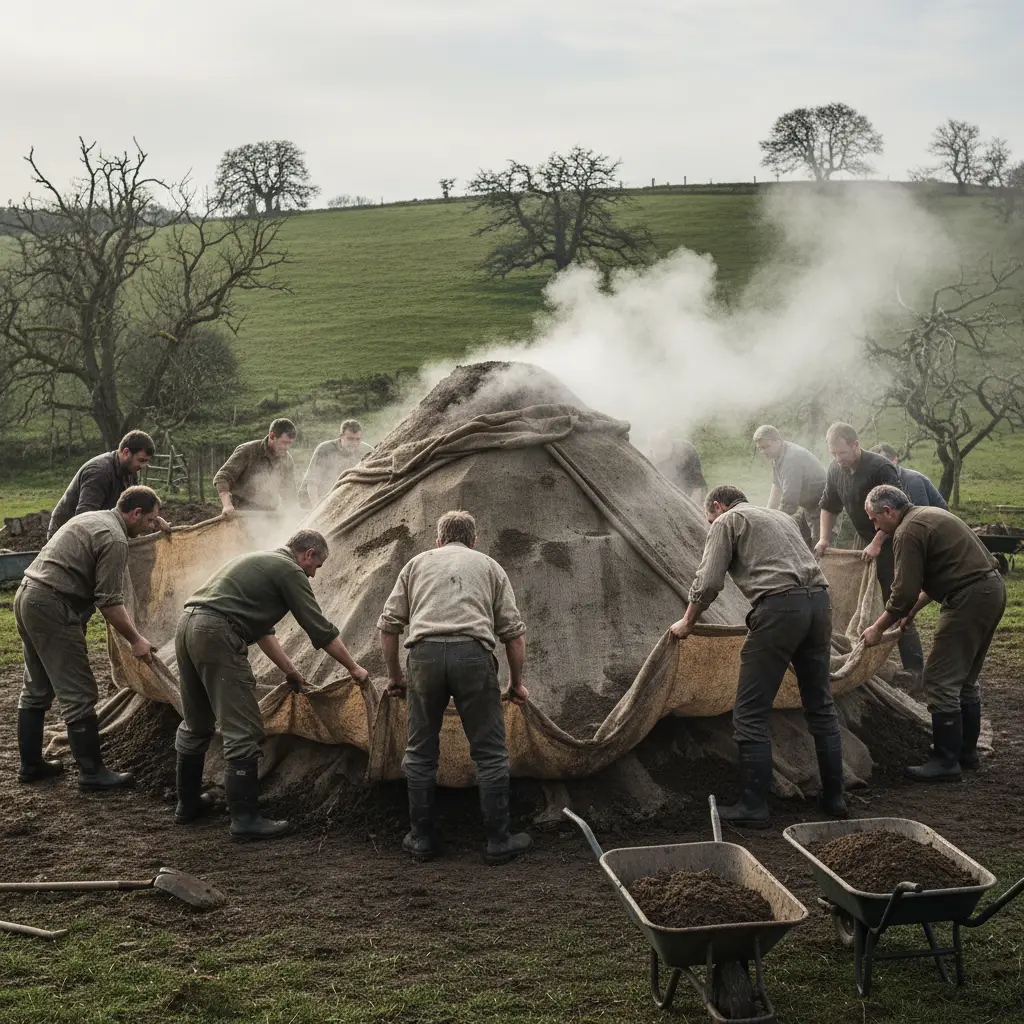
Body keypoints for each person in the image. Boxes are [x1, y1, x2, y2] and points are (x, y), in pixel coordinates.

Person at [173, 529, 369, 838]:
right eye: (317, 565)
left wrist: (291, 672)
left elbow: (263, 632)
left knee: (196, 723)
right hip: (217, 635)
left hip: (188, 627)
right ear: (308, 554)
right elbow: (318, 629)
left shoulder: (261, 562)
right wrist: (355, 668)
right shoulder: (290, 571)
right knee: (242, 729)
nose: (315, 575)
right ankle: (245, 820)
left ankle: (187, 804)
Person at [670, 485, 846, 828]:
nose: (710, 524)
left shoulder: (727, 521)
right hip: (819, 605)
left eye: (709, 518)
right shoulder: (779, 516)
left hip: (780, 610)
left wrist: (688, 621)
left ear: (717, 506)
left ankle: (753, 805)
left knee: (750, 711)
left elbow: (708, 582)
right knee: (820, 705)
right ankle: (835, 797)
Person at [378, 510, 531, 863]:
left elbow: (389, 626)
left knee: (419, 753)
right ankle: (497, 841)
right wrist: (516, 684)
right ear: (474, 540)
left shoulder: (416, 564)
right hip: (473, 657)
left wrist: (395, 677)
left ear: (438, 539)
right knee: (490, 753)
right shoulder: (489, 566)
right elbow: (514, 634)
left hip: (424, 657)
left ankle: (422, 841)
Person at [15, 486, 162, 790]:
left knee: (37, 688)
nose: (151, 526)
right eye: (150, 520)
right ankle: (92, 773)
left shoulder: (96, 518)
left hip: (28, 595)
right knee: (79, 692)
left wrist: (159, 527)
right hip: (53, 606)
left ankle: (31, 765)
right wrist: (136, 639)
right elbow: (108, 601)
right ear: (135, 513)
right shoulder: (114, 539)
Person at [860, 485, 1004, 782]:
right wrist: (912, 612)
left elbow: (902, 592)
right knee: (964, 679)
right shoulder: (928, 514)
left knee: (938, 679)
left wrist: (877, 627)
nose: (876, 527)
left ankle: (945, 762)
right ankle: (966, 753)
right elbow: (933, 578)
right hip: (990, 589)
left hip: (968, 598)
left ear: (888, 511)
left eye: (875, 520)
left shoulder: (907, 531)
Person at [815, 422, 925, 676]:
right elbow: (828, 506)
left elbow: (896, 511)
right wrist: (824, 539)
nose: (838, 459)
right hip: (866, 540)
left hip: (895, 541)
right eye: (833, 453)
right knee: (858, 599)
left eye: (842, 452)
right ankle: (860, 652)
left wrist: (878, 541)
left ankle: (915, 668)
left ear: (855, 445)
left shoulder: (879, 468)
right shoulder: (835, 469)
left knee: (896, 599)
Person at [48, 430, 170, 539]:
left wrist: (152, 519)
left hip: (98, 526)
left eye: (146, 462)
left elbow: (131, 509)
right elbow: (84, 518)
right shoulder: (99, 472)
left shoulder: (131, 470)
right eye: (141, 460)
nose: (143, 466)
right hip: (67, 535)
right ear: (127, 452)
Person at [753, 424, 828, 546]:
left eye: (765, 447)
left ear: (777, 440)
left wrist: (773, 522)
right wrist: (766, 515)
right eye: (760, 448)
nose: (763, 452)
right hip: (809, 506)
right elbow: (777, 486)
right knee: (802, 543)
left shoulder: (791, 459)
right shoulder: (777, 457)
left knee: (819, 548)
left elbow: (790, 501)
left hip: (823, 506)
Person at [213, 418, 299, 515]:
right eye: (284, 442)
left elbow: (289, 495)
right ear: (272, 436)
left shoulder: (287, 461)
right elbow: (222, 477)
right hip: (240, 513)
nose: (287, 447)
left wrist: (294, 514)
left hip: (269, 515)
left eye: (290, 443)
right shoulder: (248, 451)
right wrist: (227, 505)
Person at [300, 419, 373, 507]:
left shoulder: (367, 451)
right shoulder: (325, 449)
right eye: (350, 439)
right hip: (320, 498)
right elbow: (312, 482)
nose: (354, 443)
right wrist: (315, 506)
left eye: (358, 439)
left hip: (350, 498)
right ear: (341, 436)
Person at [870, 444, 949, 511]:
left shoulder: (913, 481)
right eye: (875, 465)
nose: (879, 468)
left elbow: (921, 517)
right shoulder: (880, 483)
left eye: (883, 463)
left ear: (895, 460)